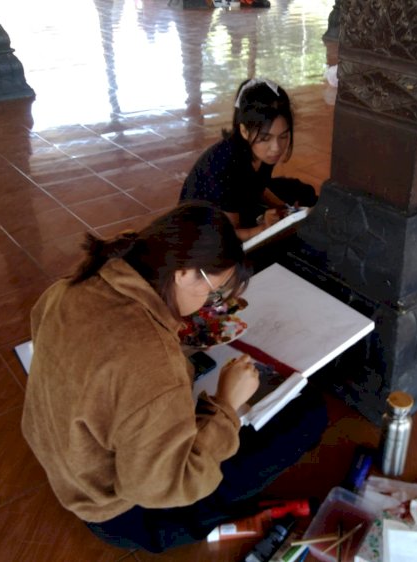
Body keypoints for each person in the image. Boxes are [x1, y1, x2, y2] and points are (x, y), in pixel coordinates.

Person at [21, 202, 327, 552]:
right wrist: (227, 405)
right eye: (213, 292)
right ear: (183, 272)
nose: (209, 303)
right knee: (307, 414)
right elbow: (164, 485)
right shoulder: (150, 360)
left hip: (72, 467)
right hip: (124, 514)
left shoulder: (74, 285)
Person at [180, 77, 318, 242]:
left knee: (302, 192)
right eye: (265, 138)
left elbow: (258, 184)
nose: (276, 148)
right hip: (206, 230)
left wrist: (283, 207)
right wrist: (265, 228)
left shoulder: (260, 153)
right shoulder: (225, 167)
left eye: (283, 136)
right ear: (244, 130)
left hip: (236, 203)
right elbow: (230, 235)